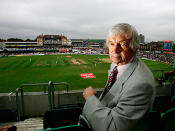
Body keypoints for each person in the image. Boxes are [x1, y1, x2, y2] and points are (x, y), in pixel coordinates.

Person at [79, 23, 156, 131]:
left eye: (123, 44)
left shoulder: (140, 84)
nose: (115, 49)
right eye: (111, 43)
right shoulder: (117, 65)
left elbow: (113, 127)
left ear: (135, 48)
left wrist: (90, 99)